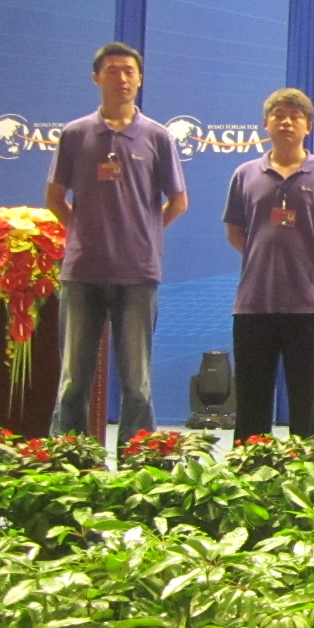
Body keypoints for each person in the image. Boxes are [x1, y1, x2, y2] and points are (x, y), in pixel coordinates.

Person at [45, 42, 188, 444]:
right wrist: (82, 231)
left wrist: (145, 231)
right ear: (96, 78)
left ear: (140, 80)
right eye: (112, 71)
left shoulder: (157, 136)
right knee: (74, 379)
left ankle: (136, 460)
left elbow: (179, 200)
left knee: (136, 383)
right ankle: (70, 459)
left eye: (129, 71)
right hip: (83, 273)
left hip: (137, 274)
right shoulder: (75, 134)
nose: (121, 78)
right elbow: (54, 198)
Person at [223, 88, 314, 440]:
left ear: (309, 125)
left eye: (295, 116)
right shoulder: (245, 173)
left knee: (307, 404)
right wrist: (262, 260)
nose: (286, 122)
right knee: (251, 402)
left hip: (308, 305)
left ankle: (307, 467)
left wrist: (305, 264)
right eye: (278, 115)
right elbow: (235, 231)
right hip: (253, 304)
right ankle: (250, 467)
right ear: (266, 123)